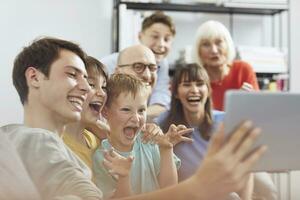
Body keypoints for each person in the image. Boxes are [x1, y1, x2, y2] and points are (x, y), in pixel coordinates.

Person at [0, 36, 267, 200]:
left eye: (96, 84)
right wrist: (197, 189)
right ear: (34, 77)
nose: (88, 88)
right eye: (73, 75)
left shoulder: (90, 139)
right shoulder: (21, 142)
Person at [155, 63, 254, 200]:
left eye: (200, 84)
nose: (194, 90)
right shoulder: (162, 123)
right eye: (187, 84)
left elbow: (244, 168)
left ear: (208, 91)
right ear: (176, 93)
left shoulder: (224, 121)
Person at [93, 74, 192, 198]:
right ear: (106, 112)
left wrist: (166, 148)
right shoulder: (102, 156)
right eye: (126, 110)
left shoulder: (150, 141)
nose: (136, 118)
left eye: (141, 110)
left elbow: (169, 189)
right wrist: (124, 177)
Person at [101, 11, 175, 119]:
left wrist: (136, 116)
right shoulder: (108, 64)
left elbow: (161, 102)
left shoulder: (162, 63)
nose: (161, 44)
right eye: (155, 36)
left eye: (167, 39)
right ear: (140, 36)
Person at [192, 20, 259, 111]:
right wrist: (236, 104)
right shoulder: (192, 76)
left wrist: (247, 100)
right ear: (198, 50)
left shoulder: (243, 69)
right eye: (206, 44)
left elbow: (257, 109)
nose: (214, 50)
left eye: (219, 42)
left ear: (228, 45)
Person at [63, 56, 110, 170]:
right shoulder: (61, 149)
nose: (102, 93)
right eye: (91, 85)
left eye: (104, 87)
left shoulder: (96, 140)